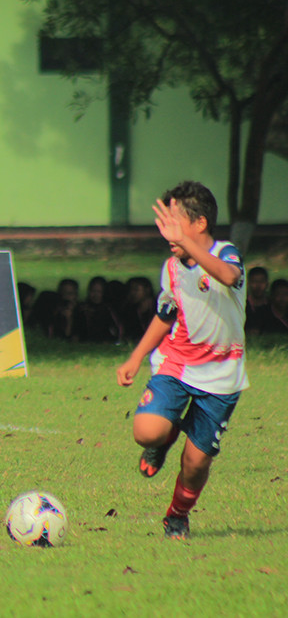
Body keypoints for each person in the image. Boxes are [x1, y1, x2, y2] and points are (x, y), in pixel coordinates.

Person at [116, 181, 248, 540]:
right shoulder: (172, 267)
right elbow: (165, 315)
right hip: (176, 363)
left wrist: (186, 244)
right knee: (146, 431)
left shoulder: (227, 252)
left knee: (195, 463)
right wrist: (135, 357)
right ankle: (162, 441)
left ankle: (177, 516)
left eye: (173, 224)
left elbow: (228, 276)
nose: (166, 233)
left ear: (200, 224)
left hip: (221, 375)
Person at [244, 266, 270, 335]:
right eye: (254, 282)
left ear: (267, 284)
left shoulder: (272, 305)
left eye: (261, 282)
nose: (258, 285)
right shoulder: (243, 305)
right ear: (248, 284)